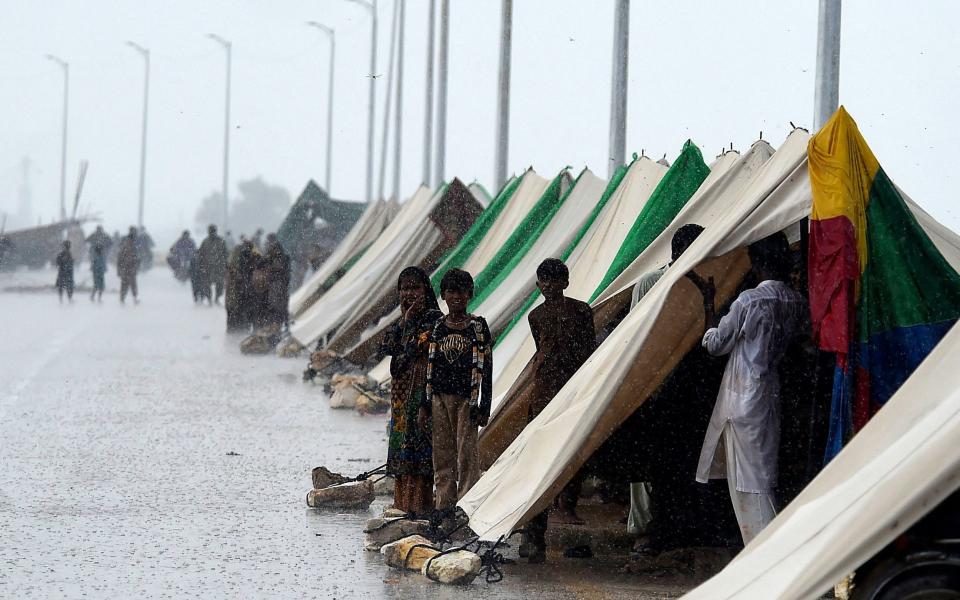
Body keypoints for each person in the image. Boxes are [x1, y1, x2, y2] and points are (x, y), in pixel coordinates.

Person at [692, 231, 808, 545]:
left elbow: (715, 345)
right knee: (763, 476)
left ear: (755, 264)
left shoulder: (750, 300)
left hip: (741, 397)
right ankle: (768, 546)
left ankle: (764, 550)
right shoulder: (796, 302)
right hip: (768, 393)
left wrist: (708, 306)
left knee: (747, 484)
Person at [626, 224, 705, 553]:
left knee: (680, 461)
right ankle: (644, 528)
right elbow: (635, 334)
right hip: (654, 383)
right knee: (648, 464)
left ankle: (676, 525)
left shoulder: (705, 280)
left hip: (688, 384)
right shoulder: (651, 282)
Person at [521, 258, 596, 563]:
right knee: (539, 461)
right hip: (545, 394)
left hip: (571, 389)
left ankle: (566, 505)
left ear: (566, 282)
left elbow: (588, 350)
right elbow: (544, 352)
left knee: (570, 455)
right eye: (544, 281)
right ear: (538, 285)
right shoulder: (535, 315)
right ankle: (534, 534)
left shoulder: (581, 311)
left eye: (554, 281)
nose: (549, 286)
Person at [425, 269, 493, 516]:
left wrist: (484, 405)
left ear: (470, 294)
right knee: (442, 454)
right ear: (443, 295)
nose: (456, 297)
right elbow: (429, 369)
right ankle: (444, 504)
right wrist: (426, 404)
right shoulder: (438, 328)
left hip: (468, 398)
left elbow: (488, 366)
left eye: (462, 292)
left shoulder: (477, 327)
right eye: (451, 292)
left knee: (466, 454)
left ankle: (466, 507)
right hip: (439, 397)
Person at [378, 267, 444, 516]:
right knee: (401, 445)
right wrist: (405, 322)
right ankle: (402, 504)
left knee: (419, 445)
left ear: (425, 290)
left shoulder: (434, 320)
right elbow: (385, 348)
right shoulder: (403, 322)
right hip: (401, 395)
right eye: (404, 288)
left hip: (422, 391)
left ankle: (419, 505)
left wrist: (408, 331)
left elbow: (414, 349)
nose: (409, 294)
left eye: (414, 288)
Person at [225, 239, 259, 331]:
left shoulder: (241, 254)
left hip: (242, 290)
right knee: (239, 309)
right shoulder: (251, 254)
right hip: (241, 289)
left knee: (238, 310)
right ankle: (240, 327)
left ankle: (238, 327)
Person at [260, 233, 291, 327]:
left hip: (277, 280)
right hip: (277, 280)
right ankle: (280, 322)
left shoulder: (276, 251)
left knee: (276, 303)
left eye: (269, 240)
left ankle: (278, 323)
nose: (268, 243)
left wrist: (269, 267)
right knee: (278, 302)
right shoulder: (275, 250)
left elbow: (278, 266)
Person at [197, 224, 229, 305]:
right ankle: (209, 299)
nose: (211, 232)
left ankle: (217, 298)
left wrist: (225, 264)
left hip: (219, 267)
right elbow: (200, 254)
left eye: (213, 231)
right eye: (210, 231)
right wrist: (201, 265)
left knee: (220, 285)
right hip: (208, 267)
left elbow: (226, 253)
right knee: (206, 284)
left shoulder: (221, 241)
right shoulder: (205, 242)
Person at [117, 227, 141, 304]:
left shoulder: (130, 247)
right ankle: (126, 298)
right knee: (129, 284)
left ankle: (125, 298)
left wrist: (120, 269)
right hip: (128, 269)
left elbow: (137, 259)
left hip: (128, 269)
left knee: (127, 284)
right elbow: (120, 259)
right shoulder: (130, 248)